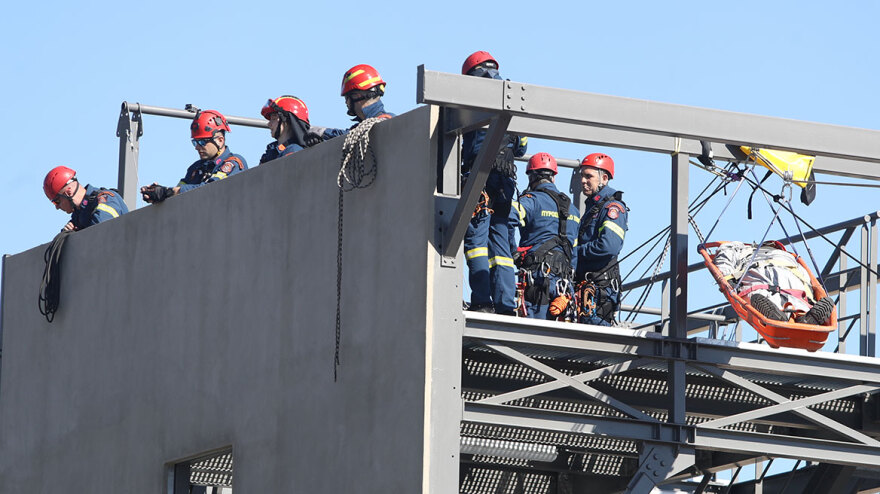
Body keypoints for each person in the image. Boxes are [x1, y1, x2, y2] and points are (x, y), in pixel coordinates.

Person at [460, 51, 528, 314]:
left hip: (479, 181)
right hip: (505, 184)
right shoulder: (511, 97)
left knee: (477, 244)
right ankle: (504, 305)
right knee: (501, 247)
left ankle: (481, 302)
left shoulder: (466, 99)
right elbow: (521, 147)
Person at [511, 153, 580, 319]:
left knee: (532, 336)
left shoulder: (531, 200)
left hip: (537, 280)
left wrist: (512, 251)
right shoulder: (573, 210)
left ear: (532, 177)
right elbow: (574, 252)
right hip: (563, 285)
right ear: (553, 178)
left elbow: (506, 218)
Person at [714, 241, 835, 326]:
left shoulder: (741, 250)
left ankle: (778, 318)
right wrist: (811, 294)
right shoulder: (789, 255)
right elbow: (806, 276)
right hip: (791, 277)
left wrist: (728, 281)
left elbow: (724, 260)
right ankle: (804, 317)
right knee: (800, 301)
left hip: (759, 274)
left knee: (755, 294)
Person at [141, 110, 248, 203]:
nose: (197, 147)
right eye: (195, 142)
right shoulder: (195, 168)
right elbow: (178, 191)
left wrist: (169, 191)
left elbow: (210, 189)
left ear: (220, 141)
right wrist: (158, 194)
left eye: (202, 142)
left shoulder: (234, 162)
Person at [575, 153, 628, 326]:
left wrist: (574, 252)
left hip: (599, 289)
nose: (583, 180)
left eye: (588, 176)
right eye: (582, 175)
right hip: (587, 287)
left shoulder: (613, 208)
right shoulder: (594, 207)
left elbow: (608, 246)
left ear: (604, 178)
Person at [305, 64, 394, 146]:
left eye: (346, 98)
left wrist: (320, 132)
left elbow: (349, 137)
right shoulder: (358, 128)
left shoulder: (387, 120)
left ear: (356, 96)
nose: (346, 103)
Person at [43, 165, 129, 231]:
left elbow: (101, 230)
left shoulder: (105, 199)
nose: (57, 207)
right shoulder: (78, 215)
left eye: (57, 202)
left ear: (68, 193)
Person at [259, 95, 311, 164]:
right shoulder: (269, 155)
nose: (269, 124)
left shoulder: (294, 151)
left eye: (274, 119)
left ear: (287, 121)